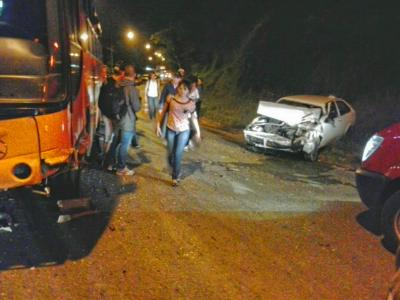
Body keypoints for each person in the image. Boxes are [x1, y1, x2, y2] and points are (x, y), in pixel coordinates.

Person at [156, 80, 201, 186]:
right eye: (180, 88)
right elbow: (163, 112)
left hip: (184, 131)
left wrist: (198, 133)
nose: (182, 90)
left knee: (178, 154)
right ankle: (174, 166)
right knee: (170, 153)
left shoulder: (191, 103)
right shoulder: (170, 99)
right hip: (170, 129)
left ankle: (175, 176)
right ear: (177, 88)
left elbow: (194, 119)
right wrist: (158, 125)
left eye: (185, 89)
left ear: (188, 91)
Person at [116, 64, 141, 176]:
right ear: (134, 74)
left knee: (118, 143)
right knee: (125, 144)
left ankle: (114, 163)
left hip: (118, 117)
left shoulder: (119, 85)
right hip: (128, 119)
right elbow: (137, 107)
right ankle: (121, 168)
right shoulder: (132, 88)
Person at [98, 70, 123, 171]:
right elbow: (116, 103)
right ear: (118, 76)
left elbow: (100, 100)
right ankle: (107, 161)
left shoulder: (105, 84)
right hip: (112, 116)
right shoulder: (116, 86)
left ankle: (104, 157)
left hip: (105, 113)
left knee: (107, 136)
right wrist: (116, 115)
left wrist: (103, 112)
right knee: (112, 138)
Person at [158, 73, 182, 138]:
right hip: (167, 106)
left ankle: (173, 134)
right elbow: (163, 95)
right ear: (173, 78)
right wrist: (160, 105)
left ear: (180, 79)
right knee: (165, 120)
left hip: (176, 108)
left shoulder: (181, 87)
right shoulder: (167, 86)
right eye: (175, 78)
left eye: (178, 78)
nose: (176, 80)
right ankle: (163, 133)